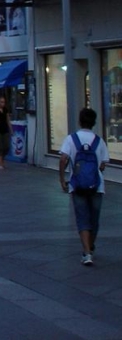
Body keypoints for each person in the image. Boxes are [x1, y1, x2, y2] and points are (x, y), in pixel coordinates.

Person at [58, 108, 110, 266]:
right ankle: (91, 246)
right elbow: (103, 165)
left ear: (80, 121)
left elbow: (63, 159)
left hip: (77, 185)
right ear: (94, 123)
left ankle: (86, 253)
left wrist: (62, 179)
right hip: (97, 186)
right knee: (94, 219)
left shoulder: (71, 139)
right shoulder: (99, 141)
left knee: (82, 218)